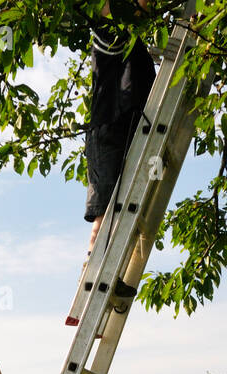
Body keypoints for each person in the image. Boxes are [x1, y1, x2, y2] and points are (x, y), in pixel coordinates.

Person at [83, 0, 157, 276]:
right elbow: (105, 13)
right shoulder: (110, 34)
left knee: (119, 211)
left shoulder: (133, 45)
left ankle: (106, 268)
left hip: (122, 132)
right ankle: (91, 271)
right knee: (105, 216)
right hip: (108, 134)